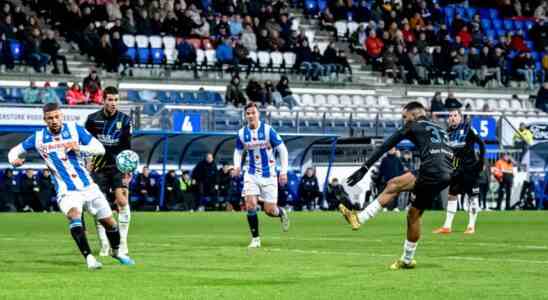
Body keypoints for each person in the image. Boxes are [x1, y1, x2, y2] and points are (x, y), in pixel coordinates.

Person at [8, 102, 134, 269]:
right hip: (66, 190)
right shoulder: (38, 138)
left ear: (62, 116)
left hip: (88, 186)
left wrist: (78, 147)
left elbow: (100, 149)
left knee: (110, 223)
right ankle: (89, 258)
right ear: (45, 120)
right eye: (49, 118)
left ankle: (116, 252)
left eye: (56, 117)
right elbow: (14, 151)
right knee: (74, 216)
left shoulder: (75, 129)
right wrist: (14, 161)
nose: (54, 120)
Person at [339, 101, 453, 270]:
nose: (403, 120)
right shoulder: (440, 129)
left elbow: (386, 145)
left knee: (393, 184)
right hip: (447, 173)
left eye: (404, 117)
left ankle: (359, 218)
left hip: (431, 171)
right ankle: (407, 260)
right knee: (413, 214)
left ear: (413, 115)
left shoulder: (412, 125)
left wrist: (364, 167)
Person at [233, 102, 290, 248]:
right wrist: (237, 166)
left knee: (269, 211)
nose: (251, 115)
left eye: (253, 113)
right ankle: (256, 239)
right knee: (250, 204)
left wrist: (283, 172)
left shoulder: (267, 130)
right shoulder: (241, 133)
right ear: (245, 116)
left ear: (258, 114)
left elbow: (282, 149)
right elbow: (238, 151)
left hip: (269, 175)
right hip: (251, 173)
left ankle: (281, 212)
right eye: (248, 113)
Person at [85, 86, 133, 256]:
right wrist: (87, 162)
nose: (113, 103)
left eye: (116, 100)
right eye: (110, 100)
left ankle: (123, 243)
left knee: (121, 201)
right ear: (103, 100)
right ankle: (104, 244)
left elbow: (128, 147)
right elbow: (87, 143)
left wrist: (128, 170)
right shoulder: (92, 120)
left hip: (118, 166)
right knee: (100, 205)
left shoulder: (125, 120)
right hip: (98, 167)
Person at [433, 109, 485, 235]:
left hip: (470, 169)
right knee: (452, 195)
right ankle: (447, 226)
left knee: (472, 197)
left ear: (460, 117)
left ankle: (471, 226)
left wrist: (481, 162)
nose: (452, 118)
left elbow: (481, 144)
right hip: (456, 170)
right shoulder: (447, 133)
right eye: (450, 116)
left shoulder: (468, 128)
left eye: (455, 115)